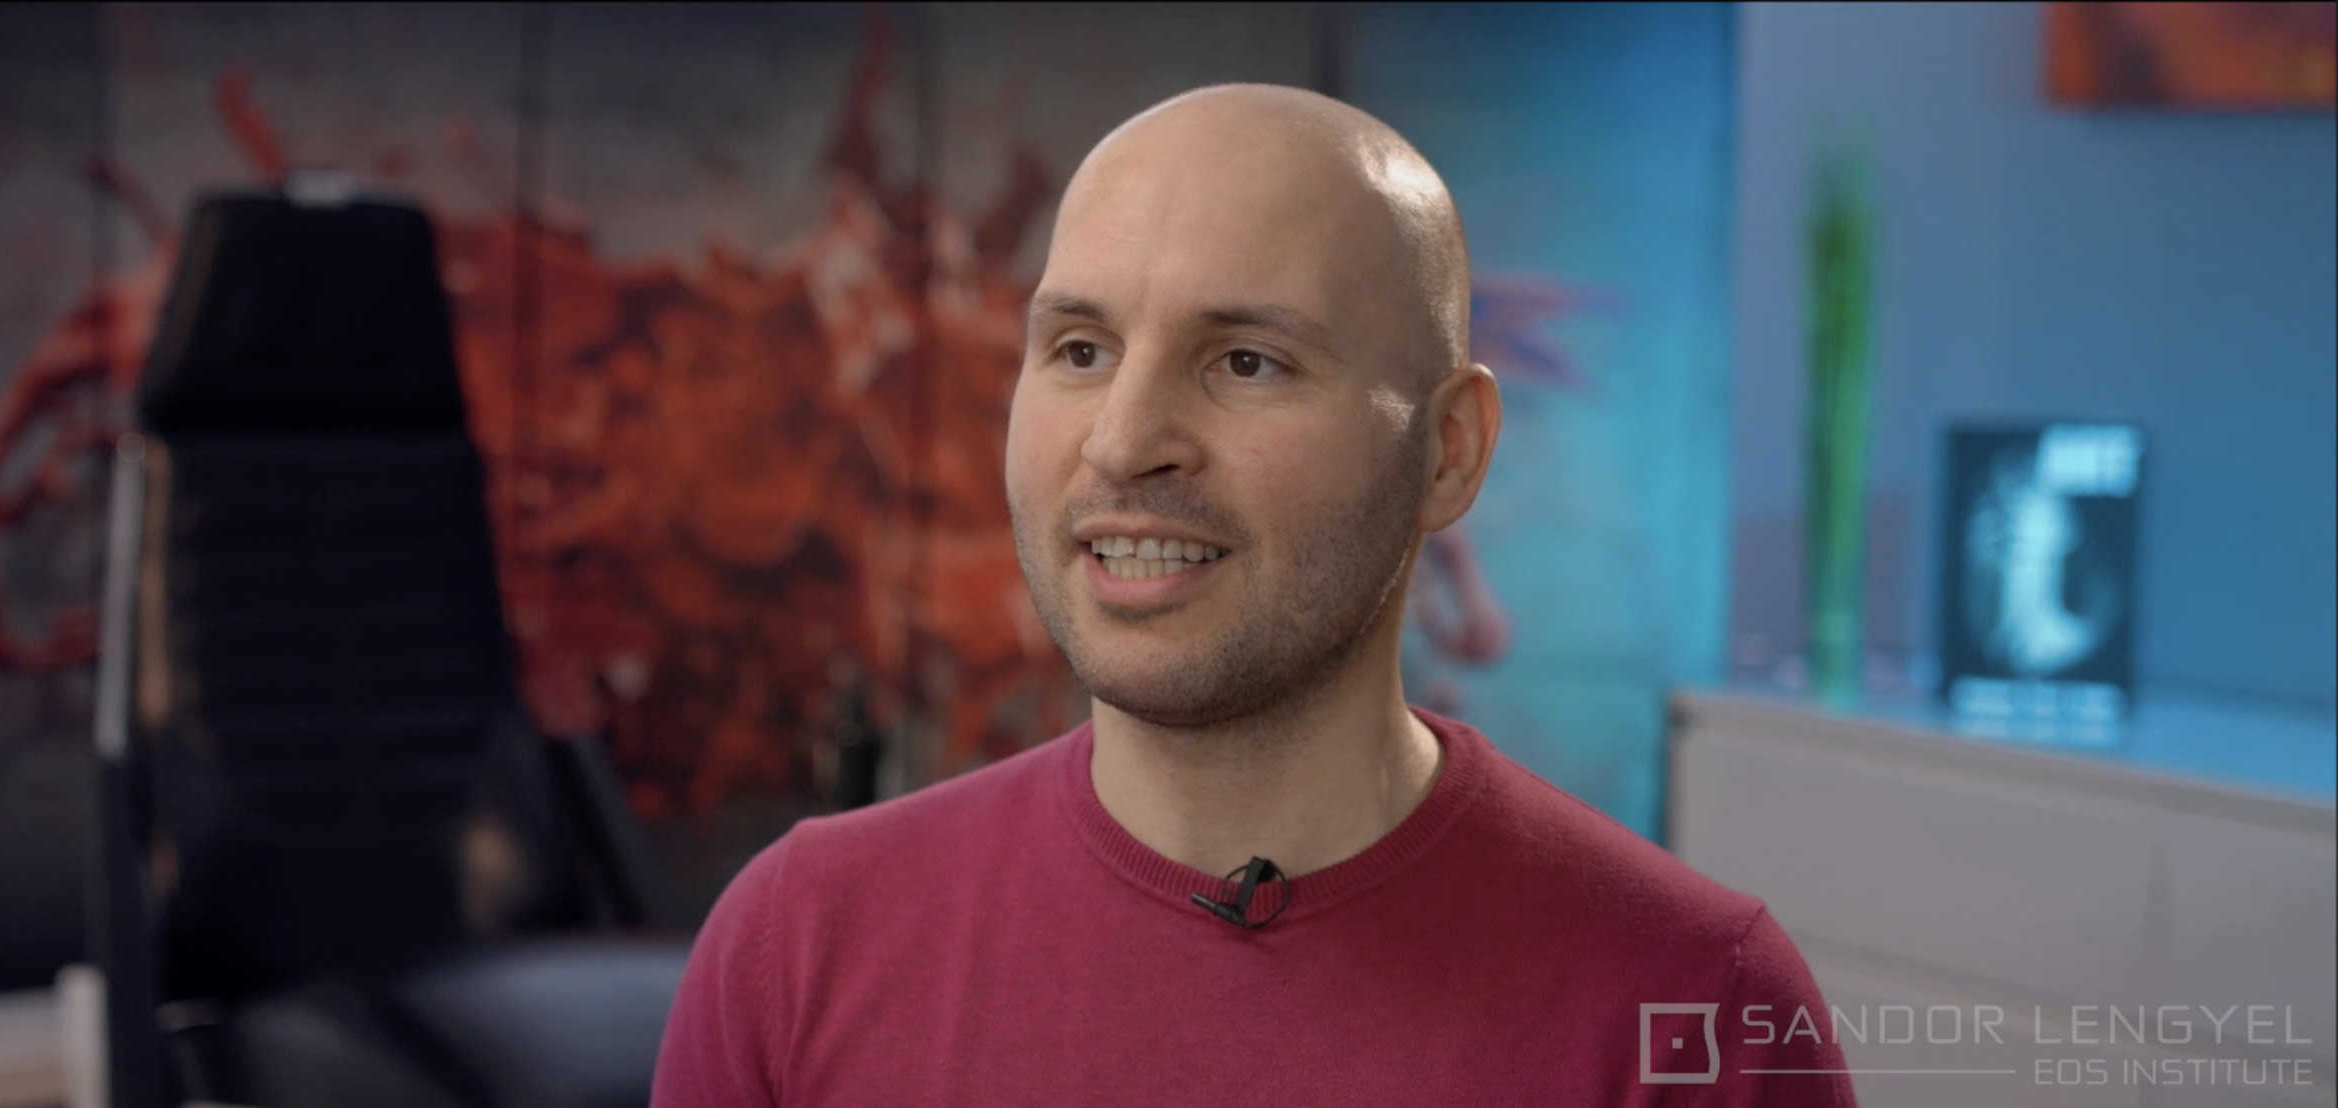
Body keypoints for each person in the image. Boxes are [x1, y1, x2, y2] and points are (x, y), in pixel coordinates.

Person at [653, 83, 1856, 1107]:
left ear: (1448, 452)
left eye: (1246, 361)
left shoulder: (1702, 1012)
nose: (1123, 442)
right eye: (1081, 350)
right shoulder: (796, 945)